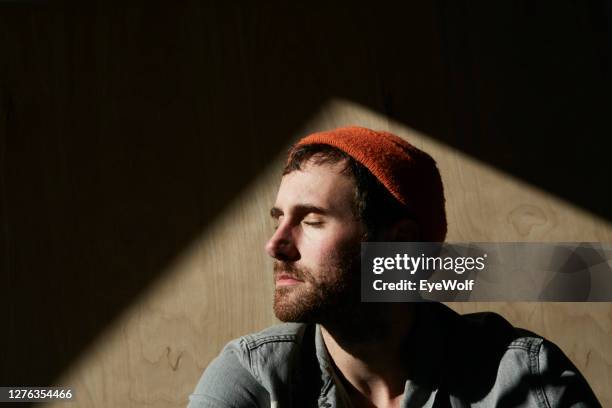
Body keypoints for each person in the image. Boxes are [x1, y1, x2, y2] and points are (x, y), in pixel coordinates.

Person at [187, 126, 600, 407]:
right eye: (279, 219)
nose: (275, 244)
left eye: (311, 221)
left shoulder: (525, 379)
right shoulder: (256, 380)